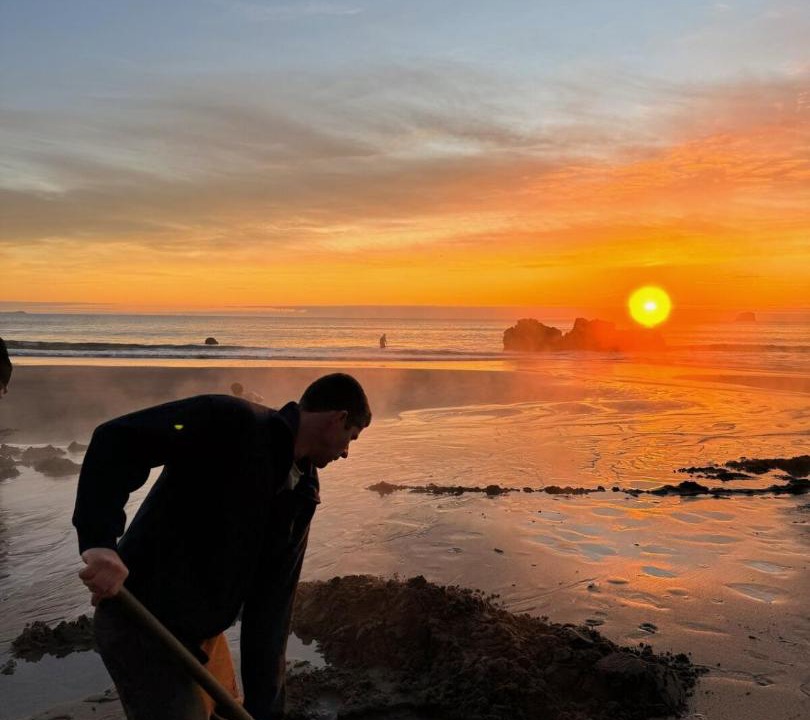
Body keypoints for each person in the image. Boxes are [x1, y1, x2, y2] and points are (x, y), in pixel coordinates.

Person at [73, 373, 371, 720]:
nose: (347, 452)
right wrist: (99, 542)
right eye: (351, 437)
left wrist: (266, 709)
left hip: (201, 635)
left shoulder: (302, 496)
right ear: (338, 419)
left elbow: (271, 608)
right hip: (142, 623)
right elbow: (118, 440)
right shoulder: (233, 422)